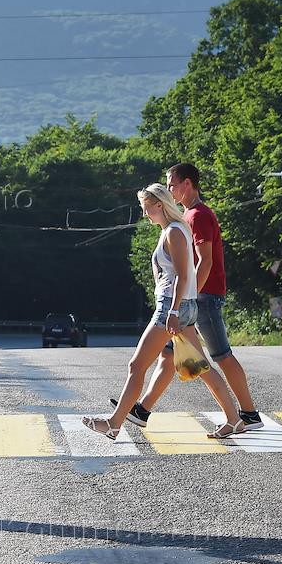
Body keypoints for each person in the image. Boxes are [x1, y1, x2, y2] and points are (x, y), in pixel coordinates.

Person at [84, 183, 243, 441]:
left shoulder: (175, 232)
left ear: (159, 205)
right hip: (180, 306)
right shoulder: (172, 230)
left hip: (172, 307)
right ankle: (234, 419)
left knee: (137, 365)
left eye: (146, 207)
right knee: (200, 367)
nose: (144, 213)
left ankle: (114, 424)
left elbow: (182, 275)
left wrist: (174, 311)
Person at [115, 164, 263, 432]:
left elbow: (205, 262)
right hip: (189, 298)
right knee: (172, 358)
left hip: (202, 296)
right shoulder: (185, 217)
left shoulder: (198, 216)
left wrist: (187, 298)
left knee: (220, 356)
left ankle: (249, 413)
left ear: (187, 184)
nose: (169, 189)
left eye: (172, 184)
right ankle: (142, 409)